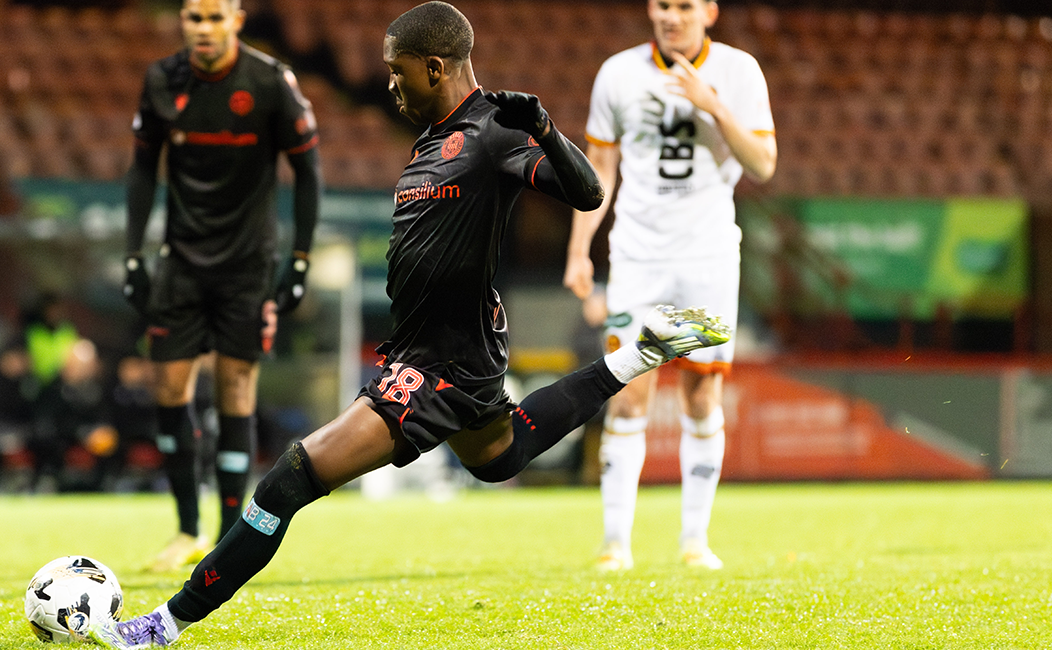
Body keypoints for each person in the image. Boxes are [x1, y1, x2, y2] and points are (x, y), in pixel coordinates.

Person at [88, 3, 731, 646]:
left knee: (286, 481)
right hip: (440, 349)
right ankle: (637, 355)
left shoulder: (494, 132)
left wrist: (544, 128)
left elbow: (589, 192)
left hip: (438, 364)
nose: (390, 85)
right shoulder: (431, 138)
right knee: (499, 458)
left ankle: (160, 626)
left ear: (433, 67)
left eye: (397, 73)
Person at [561, 0, 777, 571]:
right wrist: (581, 247)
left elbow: (763, 163)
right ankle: (615, 543)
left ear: (709, 10)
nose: (671, 16)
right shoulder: (619, 72)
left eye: (684, 5)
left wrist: (714, 108)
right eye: (662, 5)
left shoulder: (738, 71)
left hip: (706, 257)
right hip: (637, 257)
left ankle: (694, 541)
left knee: (702, 393)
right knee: (627, 389)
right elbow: (599, 169)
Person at [122, 0, 323, 573]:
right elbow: (142, 168)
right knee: (170, 388)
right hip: (181, 261)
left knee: (236, 389)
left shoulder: (269, 81)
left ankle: (225, 531)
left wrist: (301, 257)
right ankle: (185, 528)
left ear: (236, 18)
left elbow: (307, 169)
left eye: (214, 17)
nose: (203, 28)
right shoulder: (162, 80)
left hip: (246, 265)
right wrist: (134, 253)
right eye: (193, 17)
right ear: (181, 22)